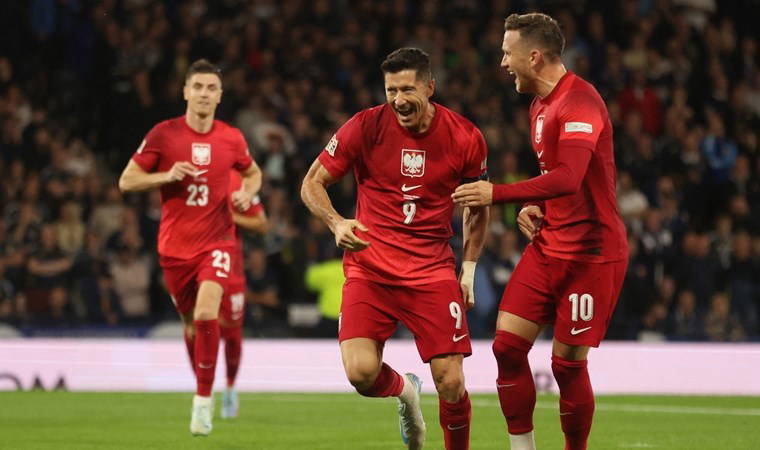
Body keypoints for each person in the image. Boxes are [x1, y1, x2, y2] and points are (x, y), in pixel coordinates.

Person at [452, 13, 628, 450]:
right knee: (506, 349)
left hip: (591, 254)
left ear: (533, 57)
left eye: (507, 53)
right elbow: (560, 180)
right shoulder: (538, 107)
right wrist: (539, 205)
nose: (502, 63)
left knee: (567, 366)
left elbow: (570, 176)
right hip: (549, 246)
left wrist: (498, 194)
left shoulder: (580, 102)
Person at [301, 47, 489, 450]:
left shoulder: (465, 137)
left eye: (407, 89)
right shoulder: (364, 126)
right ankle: (406, 391)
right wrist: (336, 222)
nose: (398, 100)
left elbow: (477, 206)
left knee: (451, 381)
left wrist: (469, 268)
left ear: (430, 87)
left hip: (430, 271)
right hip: (370, 269)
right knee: (360, 373)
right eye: (391, 90)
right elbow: (312, 182)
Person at [118, 59, 262, 436]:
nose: (203, 94)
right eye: (197, 87)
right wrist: (166, 175)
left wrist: (247, 193)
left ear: (220, 95)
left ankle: (203, 400)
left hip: (218, 242)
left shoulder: (231, 137)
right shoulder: (164, 135)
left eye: (211, 88)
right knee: (190, 324)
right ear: (185, 92)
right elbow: (127, 181)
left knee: (205, 312)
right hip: (174, 248)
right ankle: (203, 382)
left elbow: (253, 172)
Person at [219, 169, 268, 419]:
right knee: (199, 327)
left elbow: (261, 223)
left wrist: (229, 217)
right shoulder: (190, 174)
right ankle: (202, 389)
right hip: (196, 266)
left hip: (231, 272)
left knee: (232, 335)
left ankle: (229, 388)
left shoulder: (236, 180)